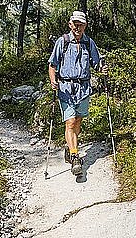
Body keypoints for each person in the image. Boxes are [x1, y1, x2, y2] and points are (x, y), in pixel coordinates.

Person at [48, 10, 106, 176]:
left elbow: (97, 63)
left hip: (83, 88)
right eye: (75, 24)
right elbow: (52, 64)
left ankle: (69, 145)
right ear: (70, 24)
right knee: (71, 122)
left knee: (78, 120)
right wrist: (53, 80)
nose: (78, 27)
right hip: (66, 87)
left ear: (85, 25)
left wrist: (102, 68)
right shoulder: (63, 41)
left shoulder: (89, 43)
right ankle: (75, 157)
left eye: (81, 24)